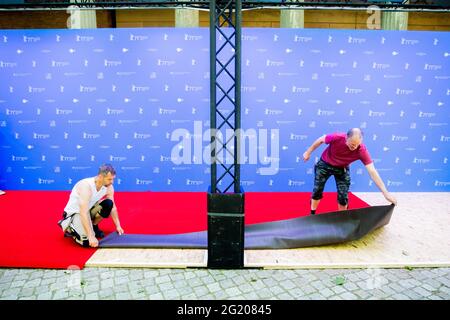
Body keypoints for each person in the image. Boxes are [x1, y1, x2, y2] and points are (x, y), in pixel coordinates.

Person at [303, 128, 397, 215]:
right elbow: (320, 140)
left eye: (357, 144)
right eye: (352, 144)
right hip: (325, 164)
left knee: (343, 196)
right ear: (346, 138)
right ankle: (312, 213)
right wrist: (308, 152)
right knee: (317, 191)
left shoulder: (361, 150)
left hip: (342, 168)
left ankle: (342, 218)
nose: (354, 147)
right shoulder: (337, 137)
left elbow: (372, 171)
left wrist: (386, 193)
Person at [58, 164, 124, 247]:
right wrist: (91, 236)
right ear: (100, 176)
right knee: (86, 242)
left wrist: (118, 226)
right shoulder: (86, 186)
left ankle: (94, 226)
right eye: (109, 179)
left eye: (113, 179)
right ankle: (68, 226)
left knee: (108, 203)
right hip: (76, 213)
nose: (112, 182)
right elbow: (83, 212)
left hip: (88, 210)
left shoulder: (109, 187)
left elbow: (113, 208)